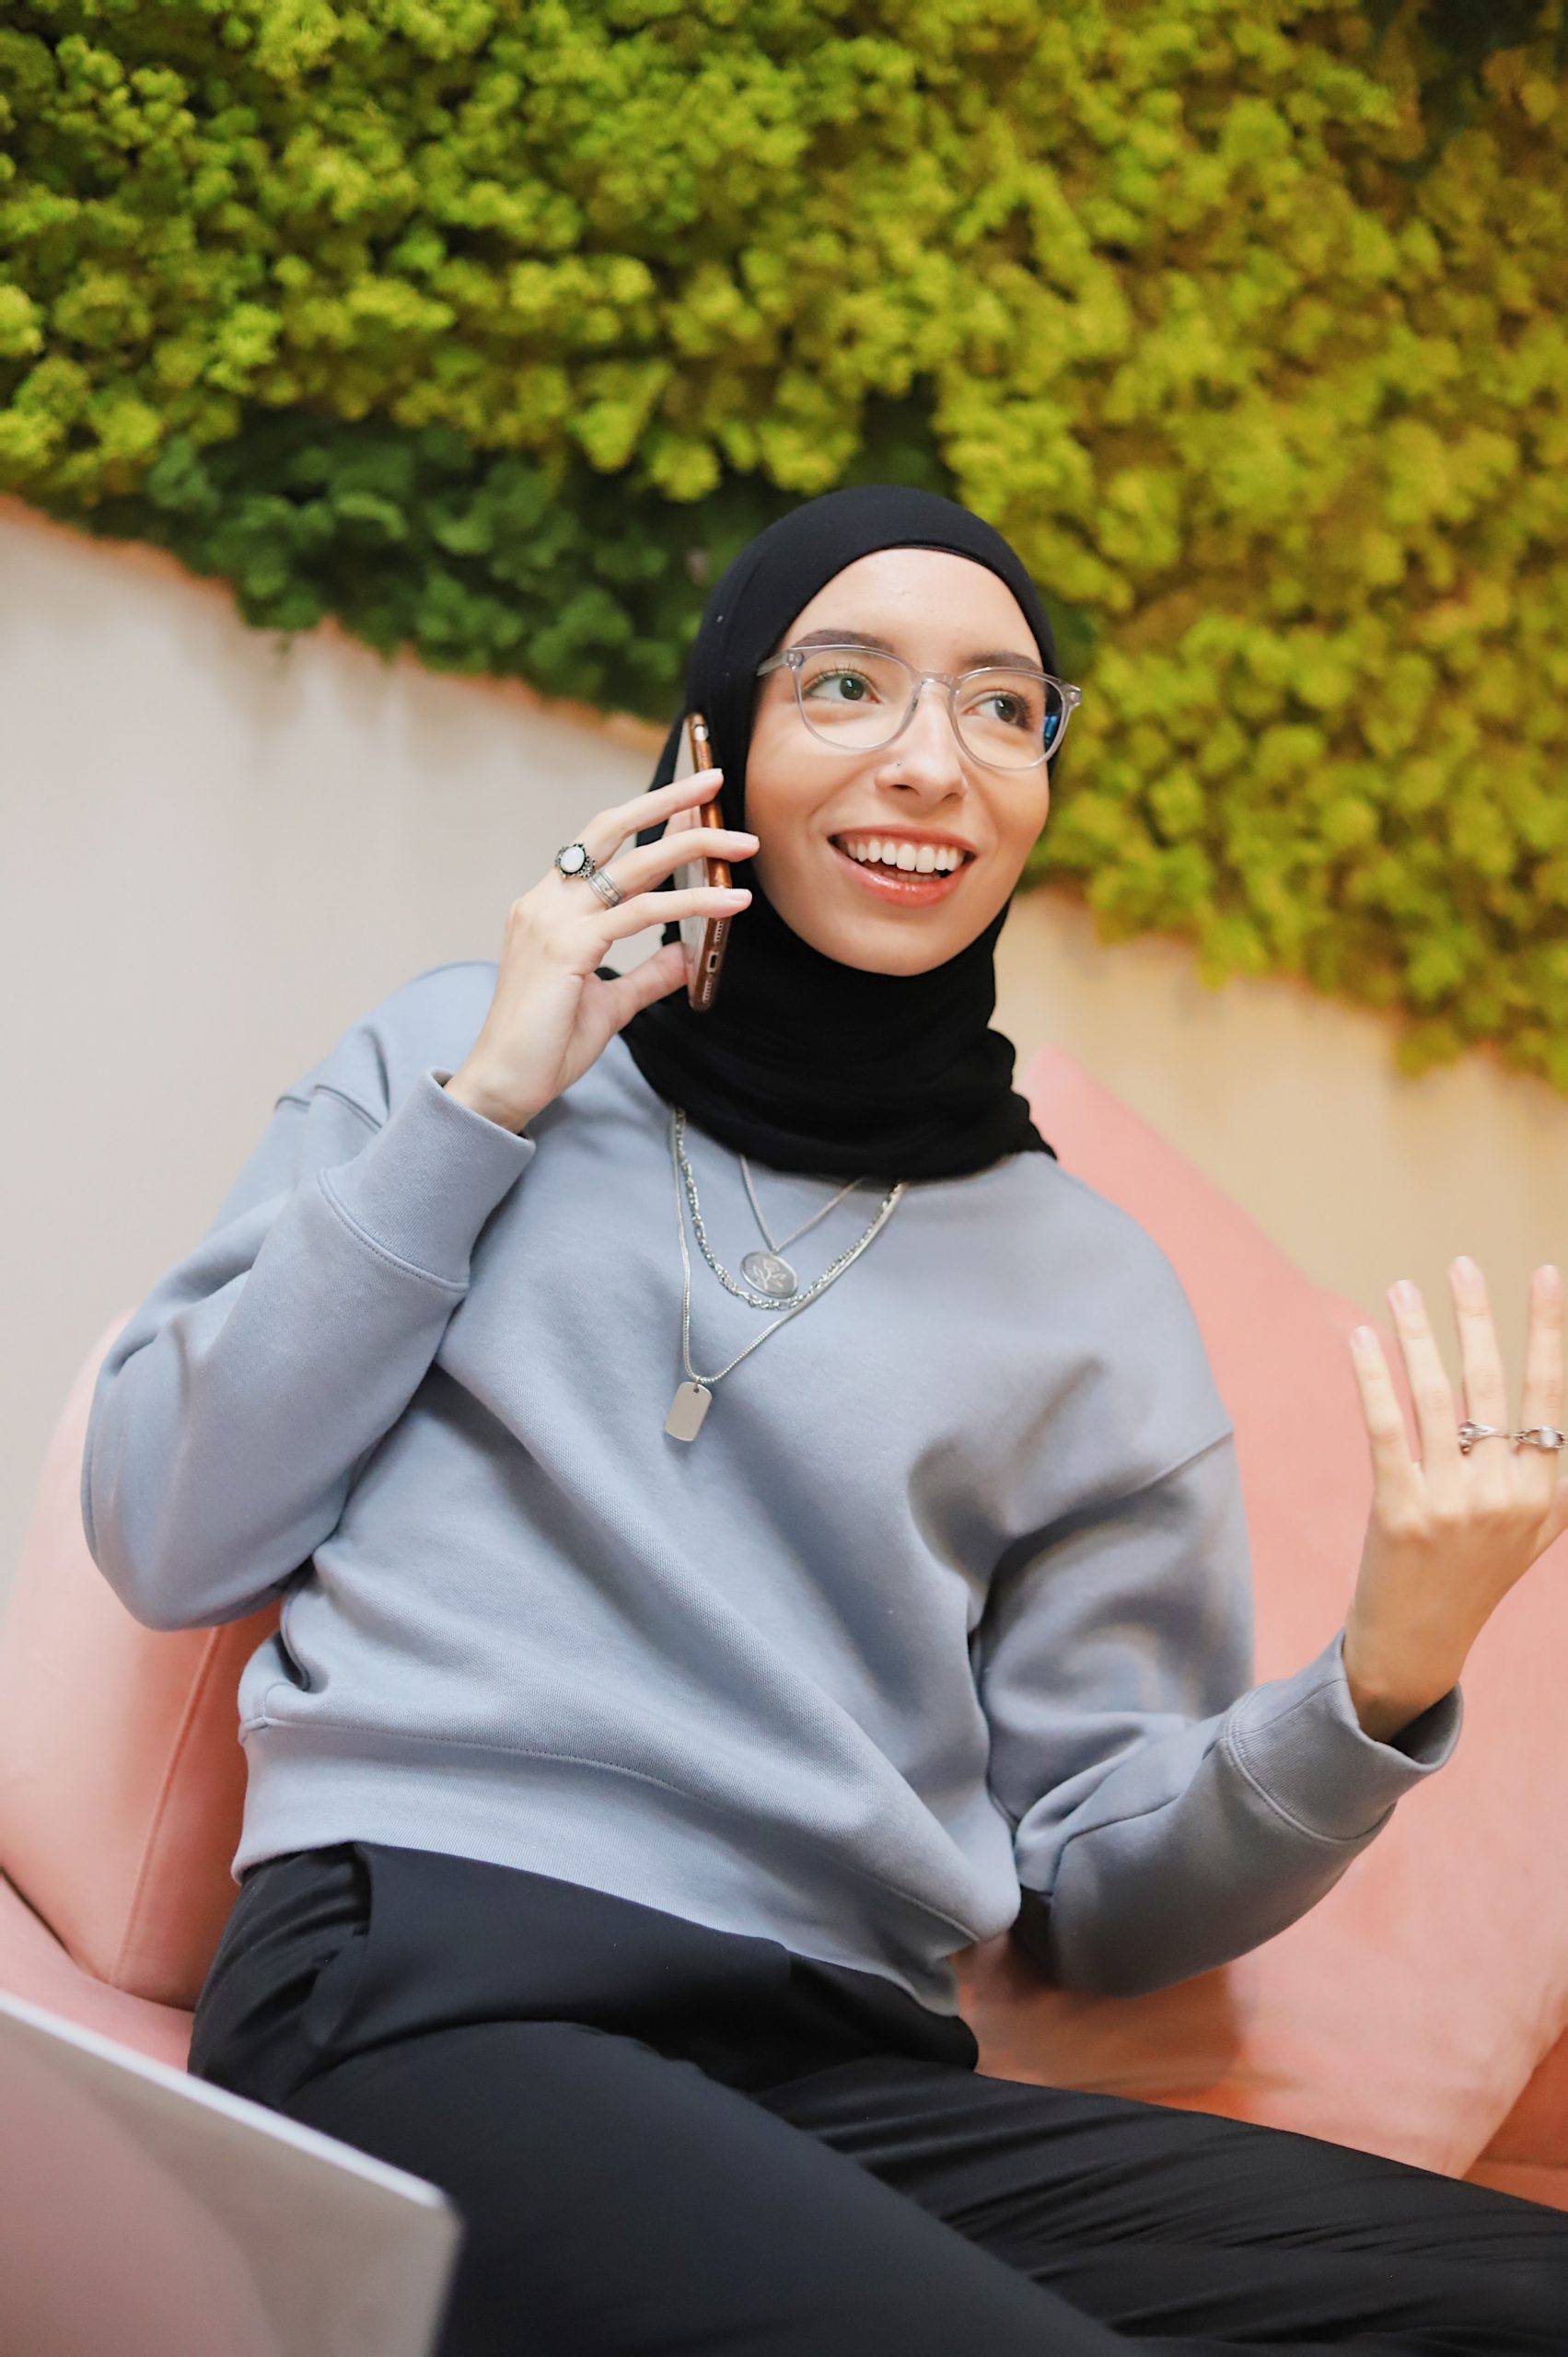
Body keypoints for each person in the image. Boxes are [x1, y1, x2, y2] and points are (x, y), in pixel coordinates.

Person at [83, 487, 1568, 2354]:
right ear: (716, 744)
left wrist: (1381, 1677)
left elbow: (1099, 1902)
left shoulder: (1089, 1288)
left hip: (839, 2067)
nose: (932, 762)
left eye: (1004, 707)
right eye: (849, 685)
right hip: (422, 1975)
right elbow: (169, 1521)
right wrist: (487, 1099)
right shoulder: (464, 1051)